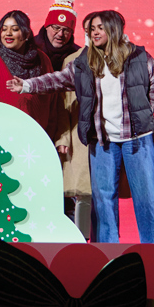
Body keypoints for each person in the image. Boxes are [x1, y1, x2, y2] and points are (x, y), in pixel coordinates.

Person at [7, 10, 154, 243]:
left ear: (113, 28)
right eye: (91, 29)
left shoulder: (138, 57)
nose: (94, 33)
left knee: (147, 197)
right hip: (102, 141)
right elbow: (58, 80)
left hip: (137, 139)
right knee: (102, 200)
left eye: (99, 27)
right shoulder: (85, 61)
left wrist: (143, 114)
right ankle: (107, 253)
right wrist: (27, 85)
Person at [33, 0, 85, 231]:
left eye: (66, 30)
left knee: (65, 184)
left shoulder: (78, 56)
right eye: (55, 27)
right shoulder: (31, 50)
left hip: (65, 125)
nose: (60, 34)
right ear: (46, 26)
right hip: (36, 122)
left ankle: (69, 232)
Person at [53, 13, 94, 240]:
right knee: (83, 193)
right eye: (90, 28)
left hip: (112, 137)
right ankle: (82, 240)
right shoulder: (73, 60)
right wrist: (63, 138)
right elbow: (64, 102)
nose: (94, 32)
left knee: (107, 194)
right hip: (81, 135)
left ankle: (107, 241)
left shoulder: (120, 58)